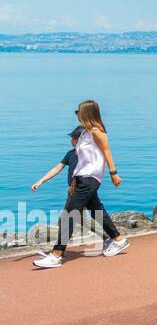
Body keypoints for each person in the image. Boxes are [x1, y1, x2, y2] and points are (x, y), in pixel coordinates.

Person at [33, 101, 128, 268]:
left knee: (69, 215)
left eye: (78, 111)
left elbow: (107, 151)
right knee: (96, 211)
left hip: (90, 178)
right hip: (82, 179)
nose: (76, 113)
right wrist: (75, 180)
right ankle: (118, 239)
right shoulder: (84, 133)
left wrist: (114, 173)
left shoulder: (97, 132)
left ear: (86, 113)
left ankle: (56, 255)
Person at [31, 127, 82, 197]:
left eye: (73, 138)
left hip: (82, 189)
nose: (71, 140)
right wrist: (41, 181)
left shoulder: (89, 155)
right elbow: (57, 168)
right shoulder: (70, 154)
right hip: (73, 190)